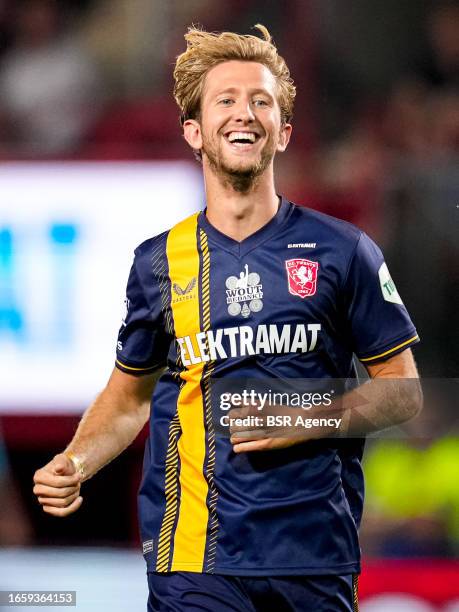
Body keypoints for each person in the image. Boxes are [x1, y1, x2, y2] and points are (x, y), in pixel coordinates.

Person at [33, 25, 422, 611]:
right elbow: (129, 397)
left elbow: (403, 393)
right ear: (194, 130)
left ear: (284, 133)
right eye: (227, 99)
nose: (246, 112)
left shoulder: (346, 251)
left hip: (313, 557)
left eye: (261, 100)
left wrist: (309, 414)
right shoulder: (158, 262)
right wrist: (76, 459)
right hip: (193, 560)